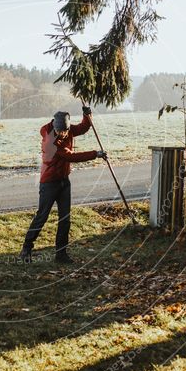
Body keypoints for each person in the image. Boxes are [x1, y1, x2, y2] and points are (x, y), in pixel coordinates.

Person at [20, 106, 107, 264]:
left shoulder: (67, 128)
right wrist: (96, 154)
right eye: (61, 132)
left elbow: (83, 127)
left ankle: (61, 254)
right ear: (55, 127)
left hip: (64, 181)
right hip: (49, 183)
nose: (64, 134)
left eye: (66, 131)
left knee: (65, 218)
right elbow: (70, 156)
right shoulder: (50, 140)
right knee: (42, 217)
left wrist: (87, 115)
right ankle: (26, 248)